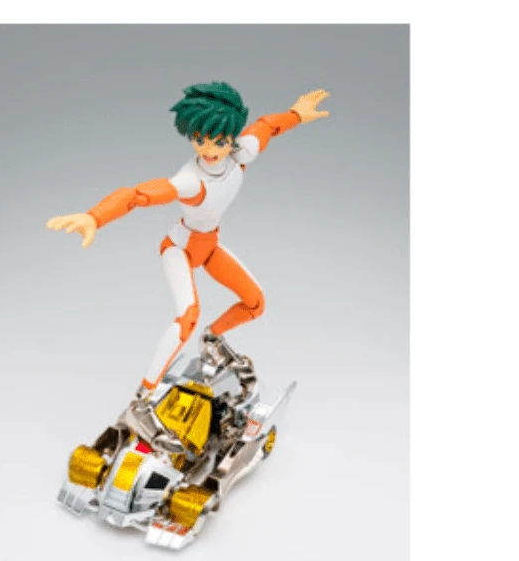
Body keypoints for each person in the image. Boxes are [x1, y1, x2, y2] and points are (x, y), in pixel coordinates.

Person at [47, 81, 330, 401]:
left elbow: (267, 127)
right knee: (187, 317)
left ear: (231, 137)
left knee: (255, 303)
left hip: (209, 248)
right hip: (179, 249)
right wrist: (95, 217)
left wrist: (296, 114)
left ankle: (212, 339)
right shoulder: (191, 181)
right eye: (199, 139)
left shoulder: (241, 153)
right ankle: (143, 397)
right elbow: (137, 195)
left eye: (218, 141)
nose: (209, 150)